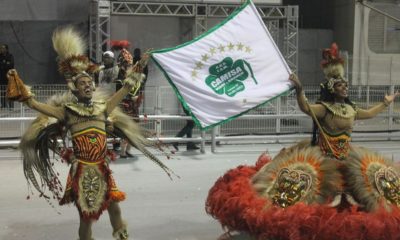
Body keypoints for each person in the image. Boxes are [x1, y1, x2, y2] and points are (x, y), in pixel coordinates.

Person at [206, 43, 400, 240]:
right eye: (341, 85)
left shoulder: (351, 109)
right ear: (332, 89)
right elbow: (306, 107)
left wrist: (386, 102)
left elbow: (368, 114)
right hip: (323, 156)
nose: (345, 88)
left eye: (346, 85)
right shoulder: (324, 108)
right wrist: (299, 90)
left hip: (348, 156)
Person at [8, 26, 174, 240]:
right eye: (83, 84)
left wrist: (140, 66)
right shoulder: (66, 112)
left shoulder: (103, 108)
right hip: (83, 169)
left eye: (89, 83)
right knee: (87, 217)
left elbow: (124, 90)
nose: (87, 86)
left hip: (102, 166)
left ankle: (121, 235)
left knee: (115, 209)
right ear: (75, 89)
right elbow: (35, 104)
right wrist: (19, 85)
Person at [0, 44, 14, 108]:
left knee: (10, 91)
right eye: (1, 48)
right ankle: (3, 105)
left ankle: (11, 106)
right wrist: (6, 63)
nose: (1, 49)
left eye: (3, 48)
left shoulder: (10, 56)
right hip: (1, 78)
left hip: (9, 77)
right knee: (2, 92)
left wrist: (3, 64)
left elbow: (11, 65)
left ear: (6, 49)